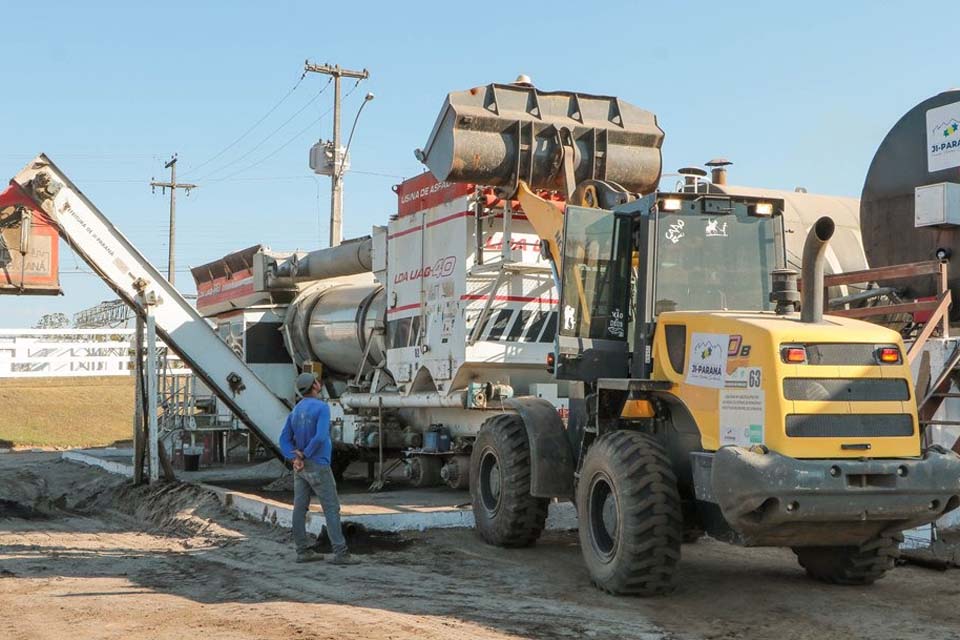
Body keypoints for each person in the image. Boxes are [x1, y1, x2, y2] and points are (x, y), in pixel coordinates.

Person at [279, 372, 358, 565]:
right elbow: (321, 436)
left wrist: (294, 457)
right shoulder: (322, 408)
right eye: (316, 380)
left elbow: (283, 439)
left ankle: (302, 551)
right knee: (331, 508)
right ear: (314, 386)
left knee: (299, 509)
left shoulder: (296, 410)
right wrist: (305, 454)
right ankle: (341, 553)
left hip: (301, 468)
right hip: (318, 465)